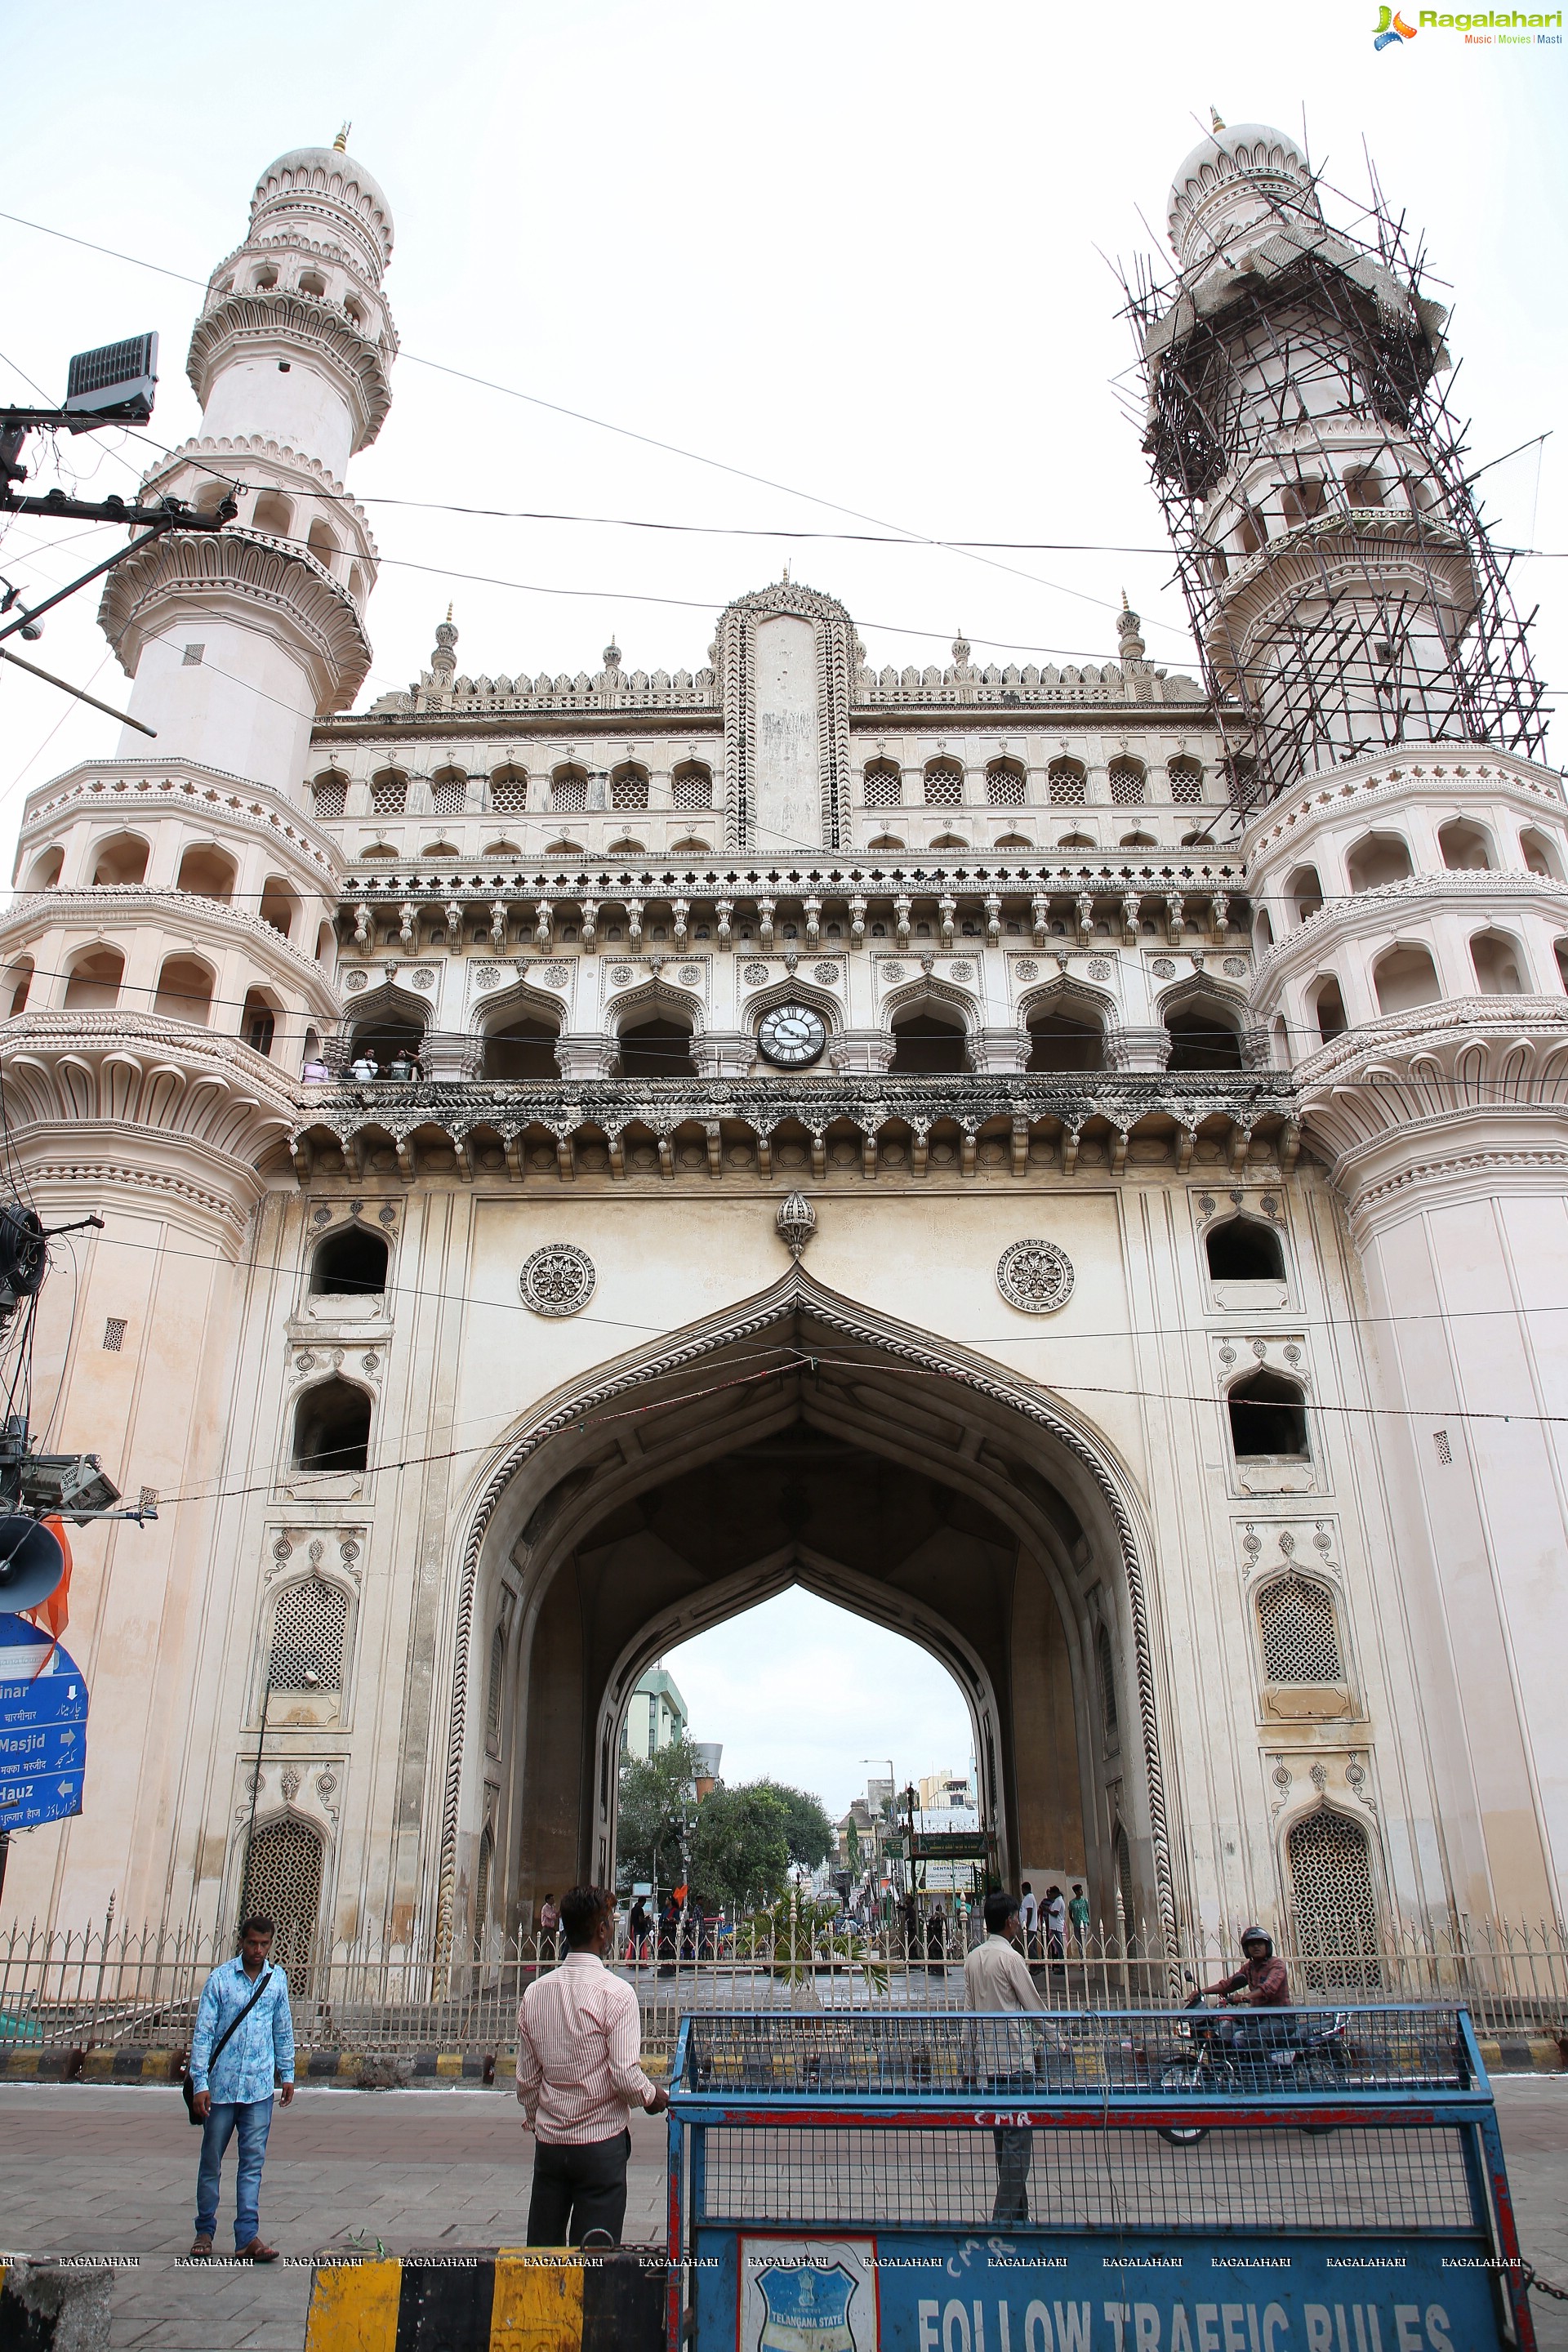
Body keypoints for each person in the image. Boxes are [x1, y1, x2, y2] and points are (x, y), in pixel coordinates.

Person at [515, 1884, 669, 2246]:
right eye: (611, 1922)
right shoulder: (616, 1994)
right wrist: (652, 2096)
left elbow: (526, 2080)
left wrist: (541, 2120)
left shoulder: (536, 1993)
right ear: (601, 1930)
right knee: (596, 2259)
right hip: (600, 2145)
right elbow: (625, 2074)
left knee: (543, 2255)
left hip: (551, 2147)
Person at [187, 1914, 295, 2261]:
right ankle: (205, 2230)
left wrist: (287, 2073)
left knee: (252, 2163)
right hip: (221, 2090)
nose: (258, 1950)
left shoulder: (276, 1981)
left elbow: (283, 2029)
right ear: (242, 1941)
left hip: (259, 2089)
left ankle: (247, 2236)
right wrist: (199, 2082)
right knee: (212, 2160)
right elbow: (203, 2035)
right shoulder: (220, 1980)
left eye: (264, 1945)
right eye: (252, 1944)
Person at [964, 1890, 1053, 2225]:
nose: (1020, 1921)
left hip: (990, 2064)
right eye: (1017, 1916)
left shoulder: (973, 1959)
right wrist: (1059, 2042)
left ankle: (1019, 2218)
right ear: (1010, 1920)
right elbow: (1034, 2008)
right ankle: (1002, 2221)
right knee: (1017, 2147)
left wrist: (969, 2066)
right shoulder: (1011, 1959)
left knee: (1005, 2145)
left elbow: (968, 2017)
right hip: (1016, 2061)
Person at [1204, 1926, 1290, 2009]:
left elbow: (1268, 1987)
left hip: (1279, 2015)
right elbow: (1229, 1985)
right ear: (1246, 1949)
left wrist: (1245, 1996)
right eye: (1252, 1944)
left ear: (1267, 1947)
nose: (1256, 1946)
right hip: (1258, 2014)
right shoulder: (1249, 1967)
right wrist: (1201, 1992)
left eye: (1260, 1943)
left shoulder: (1277, 1965)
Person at [1044, 1885, 1067, 1959]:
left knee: (1060, 1947)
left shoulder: (1058, 1901)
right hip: (1055, 1926)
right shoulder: (1057, 1901)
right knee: (1058, 1946)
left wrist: (1048, 1910)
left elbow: (1056, 1913)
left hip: (1057, 1926)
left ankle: (1062, 1967)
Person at [1067, 1882, 1090, 1948]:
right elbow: (1070, 1914)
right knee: (1079, 1942)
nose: (1082, 1891)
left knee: (1084, 1941)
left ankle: (1084, 1955)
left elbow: (1087, 1911)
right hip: (1077, 1923)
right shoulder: (1072, 1902)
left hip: (1084, 1921)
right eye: (1080, 1890)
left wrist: (1088, 1920)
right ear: (1076, 1892)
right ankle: (1081, 1956)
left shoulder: (1085, 1901)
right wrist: (1074, 1922)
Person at [627, 1895, 649, 1959]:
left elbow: (631, 1921)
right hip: (640, 1930)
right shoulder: (640, 1909)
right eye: (644, 1903)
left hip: (635, 1929)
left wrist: (630, 1930)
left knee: (635, 1946)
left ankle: (635, 1959)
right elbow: (641, 1920)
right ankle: (637, 1959)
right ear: (642, 1902)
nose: (644, 1905)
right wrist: (646, 1919)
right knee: (639, 1946)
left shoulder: (633, 1909)